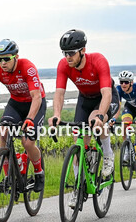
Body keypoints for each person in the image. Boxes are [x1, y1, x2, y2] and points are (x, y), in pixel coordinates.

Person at [0, 39, 45, 188]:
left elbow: (36, 96)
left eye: (6, 59)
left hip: (35, 104)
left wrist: (30, 118)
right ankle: (8, 177)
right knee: (3, 133)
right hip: (16, 103)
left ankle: (39, 172)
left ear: (16, 57)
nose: (3, 63)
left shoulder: (27, 67)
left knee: (27, 142)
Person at [49, 29, 117, 177]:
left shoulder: (98, 60)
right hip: (85, 99)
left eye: (71, 53)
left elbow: (106, 93)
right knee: (78, 142)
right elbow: (59, 93)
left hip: (105, 97)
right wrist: (56, 115)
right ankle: (78, 184)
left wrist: (100, 116)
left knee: (95, 121)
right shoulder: (64, 65)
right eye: (65, 53)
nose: (68, 57)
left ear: (83, 50)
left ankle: (108, 154)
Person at [115, 70, 136, 176]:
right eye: (121, 82)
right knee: (124, 124)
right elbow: (118, 107)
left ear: (131, 82)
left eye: (126, 82)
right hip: (129, 108)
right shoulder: (118, 89)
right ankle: (127, 149)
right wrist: (114, 118)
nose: (123, 84)